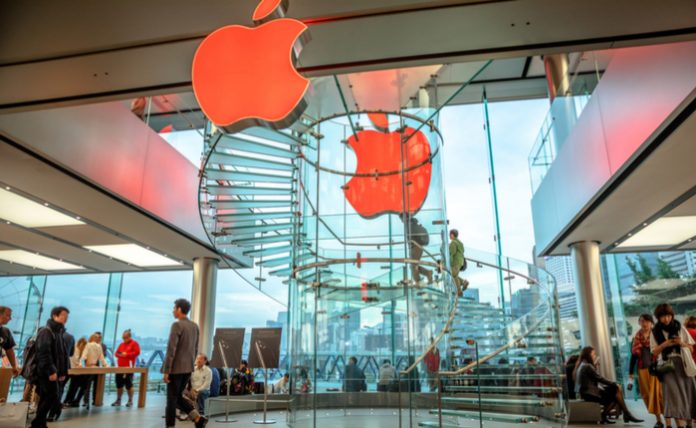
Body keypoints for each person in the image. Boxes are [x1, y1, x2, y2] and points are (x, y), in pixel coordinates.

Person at [163, 298, 207, 428]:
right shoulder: (195, 326)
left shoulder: (177, 325)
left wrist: (167, 370)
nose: (173, 311)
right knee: (177, 397)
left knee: (171, 399)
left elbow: (171, 349)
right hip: (188, 369)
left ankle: (170, 426)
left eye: (174, 308)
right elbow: (195, 349)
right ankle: (198, 419)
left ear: (179, 309)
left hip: (175, 369)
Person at [651, 304, 696, 428]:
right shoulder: (654, 331)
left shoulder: (679, 327)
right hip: (667, 366)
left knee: (688, 394)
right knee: (674, 397)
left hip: (683, 364)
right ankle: (680, 426)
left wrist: (680, 342)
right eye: (663, 316)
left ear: (672, 315)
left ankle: (689, 424)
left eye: (668, 316)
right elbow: (654, 352)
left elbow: (691, 348)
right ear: (658, 317)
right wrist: (665, 344)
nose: (666, 319)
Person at [575, 346, 644, 424]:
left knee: (616, 391)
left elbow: (595, 377)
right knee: (616, 393)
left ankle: (625, 414)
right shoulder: (587, 366)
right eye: (593, 354)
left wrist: (613, 384)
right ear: (588, 355)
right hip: (590, 393)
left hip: (586, 393)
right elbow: (599, 378)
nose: (595, 356)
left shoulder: (583, 364)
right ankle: (622, 414)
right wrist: (614, 383)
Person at [30, 306, 71, 428]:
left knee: (45, 397)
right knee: (53, 395)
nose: (66, 318)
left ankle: (40, 424)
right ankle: (37, 423)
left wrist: (62, 372)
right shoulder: (46, 331)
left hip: (54, 372)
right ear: (55, 315)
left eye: (67, 316)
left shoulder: (58, 332)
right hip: (46, 372)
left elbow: (62, 354)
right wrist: (51, 371)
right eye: (63, 315)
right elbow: (44, 353)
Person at [630, 314, 670, 428]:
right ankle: (658, 421)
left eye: (647, 321)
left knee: (660, 395)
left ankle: (667, 420)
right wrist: (630, 372)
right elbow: (633, 356)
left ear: (651, 322)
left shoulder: (657, 334)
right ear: (639, 323)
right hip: (643, 369)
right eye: (642, 321)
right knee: (649, 395)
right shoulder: (636, 338)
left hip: (657, 368)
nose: (644, 323)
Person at [401, 214, 433, 285]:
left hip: (415, 247)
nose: (401, 220)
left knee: (413, 265)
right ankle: (427, 273)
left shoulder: (409, 224)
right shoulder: (413, 224)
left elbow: (411, 235)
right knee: (414, 265)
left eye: (401, 218)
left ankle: (418, 282)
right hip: (416, 246)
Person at [112, 329, 141, 407]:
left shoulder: (134, 344)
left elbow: (137, 352)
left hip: (129, 367)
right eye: (123, 337)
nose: (124, 339)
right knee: (119, 384)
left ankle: (130, 400)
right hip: (120, 367)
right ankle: (118, 400)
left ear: (129, 337)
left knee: (128, 385)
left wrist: (127, 354)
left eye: (125, 337)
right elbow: (116, 353)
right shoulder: (121, 344)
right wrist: (122, 354)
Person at [63, 337, 87, 407]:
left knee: (73, 387)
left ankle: (68, 401)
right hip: (72, 370)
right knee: (73, 387)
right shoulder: (76, 349)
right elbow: (75, 360)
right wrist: (79, 365)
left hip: (74, 370)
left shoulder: (78, 349)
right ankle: (68, 401)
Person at [0, 306, 20, 377]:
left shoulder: (6, 331)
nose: (10, 319)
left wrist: (14, 366)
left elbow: (9, 350)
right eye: (8, 315)